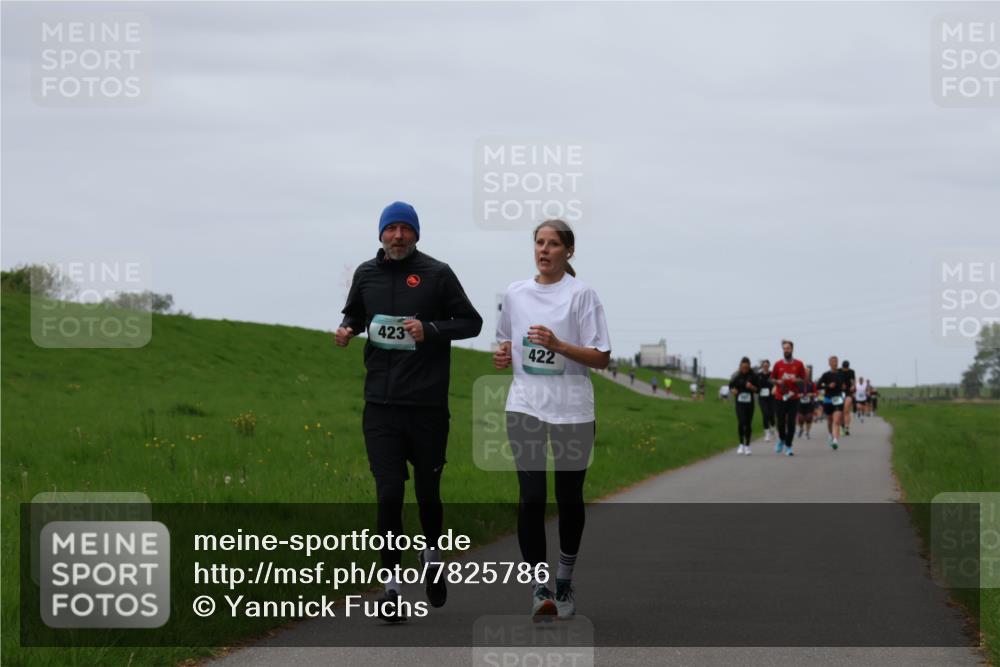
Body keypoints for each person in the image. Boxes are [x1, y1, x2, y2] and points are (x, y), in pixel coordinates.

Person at [337, 201, 483, 622]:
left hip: (427, 406)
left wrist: (431, 329)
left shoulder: (438, 274)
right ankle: (392, 588)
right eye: (391, 229)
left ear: (416, 234)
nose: (398, 236)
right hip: (380, 406)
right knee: (388, 494)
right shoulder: (366, 273)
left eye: (405, 229)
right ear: (381, 234)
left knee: (427, 493)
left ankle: (433, 557)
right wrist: (348, 328)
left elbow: (471, 322)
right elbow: (357, 313)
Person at [493, 219, 611, 621]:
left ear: (568, 251)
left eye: (553, 244)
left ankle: (564, 579)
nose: (544, 250)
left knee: (568, 496)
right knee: (531, 496)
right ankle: (539, 587)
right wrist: (502, 353)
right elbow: (506, 339)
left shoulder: (582, 295)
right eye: (539, 243)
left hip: (572, 410)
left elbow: (601, 357)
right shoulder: (515, 293)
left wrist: (559, 345)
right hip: (525, 405)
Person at [770, 339, 807, 456]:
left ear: (792, 349)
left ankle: (789, 446)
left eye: (788, 348)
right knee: (780, 423)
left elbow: (804, 380)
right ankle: (782, 439)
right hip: (780, 397)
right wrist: (778, 381)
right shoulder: (778, 364)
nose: (786, 350)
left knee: (791, 423)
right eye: (784, 348)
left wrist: (797, 380)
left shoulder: (799, 364)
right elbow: (771, 379)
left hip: (793, 397)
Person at [818, 355, 850, 450]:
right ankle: (830, 434)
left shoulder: (841, 374)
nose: (835, 363)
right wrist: (828, 386)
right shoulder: (825, 375)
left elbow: (845, 385)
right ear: (829, 363)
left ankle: (835, 440)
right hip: (828, 399)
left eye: (836, 361)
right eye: (832, 361)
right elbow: (819, 385)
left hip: (838, 399)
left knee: (836, 421)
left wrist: (844, 387)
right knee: (829, 420)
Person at [729, 357, 759, 455]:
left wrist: (752, 387)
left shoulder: (753, 376)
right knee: (741, 422)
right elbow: (731, 385)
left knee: (748, 423)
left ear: (749, 366)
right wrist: (733, 390)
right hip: (740, 403)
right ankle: (741, 444)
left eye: (746, 368)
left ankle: (748, 445)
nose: (744, 369)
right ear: (740, 366)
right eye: (743, 368)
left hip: (749, 403)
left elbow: (758, 390)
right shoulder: (737, 376)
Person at [756, 359, 776, 441]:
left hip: (771, 398)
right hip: (762, 398)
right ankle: (767, 433)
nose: (765, 367)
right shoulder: (758, 375)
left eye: (767, 366)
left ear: (769, 366)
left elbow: (776, 383)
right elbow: (755, 384)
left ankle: (773, 428)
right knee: (765, 414)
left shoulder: (772, 374)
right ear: (762, 366)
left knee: (771, 415)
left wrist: (775, 387)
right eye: (764, 366)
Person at [796, 365, 816, 440]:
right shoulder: (798, 383)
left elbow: (816, 393)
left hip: (809, 403)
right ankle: (801, 428)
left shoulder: (812, 383)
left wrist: (811, 394)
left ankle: (807, 432)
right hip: (800, 403)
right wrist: (798, 395)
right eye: (805, 373)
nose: (806, 375)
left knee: (809, 417)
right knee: (800, 418)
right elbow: (794, 392)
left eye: (808, 373)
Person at [841, 360, 857, 436]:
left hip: (848, 392)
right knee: (840, 411)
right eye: (844, 368)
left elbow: (853, 381)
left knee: (846, 410)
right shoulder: (839, 371)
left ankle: (847, 428)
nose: (845, 369)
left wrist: (853, 386)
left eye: (846, 368)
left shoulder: (851, 372)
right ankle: (842, 426)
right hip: (839, 392)